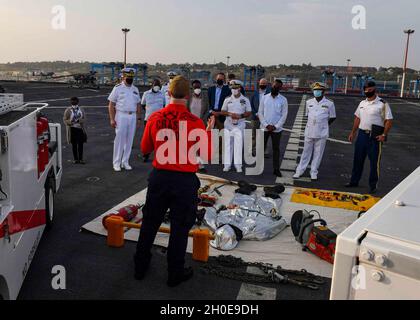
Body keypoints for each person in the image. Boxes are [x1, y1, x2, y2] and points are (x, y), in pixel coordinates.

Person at [134, 76, 215, 287]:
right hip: (184, 181)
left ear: (168, 94)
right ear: (188, 96)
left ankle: (140, 266)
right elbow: (206, 153)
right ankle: (174, 272)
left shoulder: (155, 117)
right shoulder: (195, 122)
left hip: (160, 178)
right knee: (179, 229)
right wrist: (207, 131)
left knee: (149, 224)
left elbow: (144, 149)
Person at [346, 81, 393, 194]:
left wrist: (384, 135)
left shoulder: (383, 104)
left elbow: (389, 121)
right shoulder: (362, 103)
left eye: (369, 89)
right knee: (358, 160)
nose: (367, 91)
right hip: (362, 135)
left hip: (375, 137)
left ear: (374, 89)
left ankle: (373, 186)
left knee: (374, 163)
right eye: (365, 90)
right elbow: (357, 118)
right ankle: (354, 181)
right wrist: (353, 132)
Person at [293, 82, 336, 181]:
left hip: (321, 133)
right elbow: (307, 115)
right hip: (309, 131)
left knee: (318, 154)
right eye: (315, 90)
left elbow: (333, 117)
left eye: (318, 90)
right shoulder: (309, 102)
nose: (316, 92)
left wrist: (324, 125)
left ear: (323, 91)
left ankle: (313, 172)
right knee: (305, 152)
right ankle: (299, 171)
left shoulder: (329, 103)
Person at [108, 68, 141, 172]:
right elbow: (111, 104)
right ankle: (116, 163)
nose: (130, 79)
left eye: (131, 77)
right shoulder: (117, 88)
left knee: (129, 140)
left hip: (132, 116)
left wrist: (139, 118)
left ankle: (125, 161)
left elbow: (138, 104)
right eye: (128, 77)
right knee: (119, 139)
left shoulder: (135, 89)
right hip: (121, 115)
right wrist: (112, 119)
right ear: (123, 77)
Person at [258, 79, 288, 177]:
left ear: (280, 88)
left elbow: (284, 115)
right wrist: (266, 125)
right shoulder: (264, 97)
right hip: (264, 128)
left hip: (277, 130)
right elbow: (260, 112)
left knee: (276, 150)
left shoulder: (283, 100)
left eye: (277, 87)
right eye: (274, 86)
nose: (275, 88)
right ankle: (259, 167)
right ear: (271, 86)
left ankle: (276, 169)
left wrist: (276, 126)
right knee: (261, 148)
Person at [220, 80, 252, 173]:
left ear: (239, 88)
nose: (233, 90)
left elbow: (249, 112)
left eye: (235, 88)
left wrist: (240, 116)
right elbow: (222, 111)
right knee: (228, 145)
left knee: (238, 145)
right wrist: (230, 114)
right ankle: (227, 165)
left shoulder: (245, 99)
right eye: (232, 88)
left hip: (240, 125)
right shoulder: (227, 99)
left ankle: (238, 165)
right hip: (229, 125)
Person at [140, 79, 166, 162]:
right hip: (148, 119)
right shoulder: (146, 94)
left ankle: (159, 156)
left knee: (160, 138)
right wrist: (150, 112)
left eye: (158, 86)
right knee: (148, 139)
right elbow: (143, 105)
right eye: (155, 86)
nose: (157, 87)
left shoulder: (162, 94)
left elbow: (164, 105)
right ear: (152, 85)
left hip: (159, 120)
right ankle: (145, 155)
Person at [63, 97, 87, 164]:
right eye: (72, 101)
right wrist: (70, 122)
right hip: (72, 129)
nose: (74, 102)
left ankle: (81, 159)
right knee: (74, 145)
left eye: (75, 101)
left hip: (80, 129)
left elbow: (85, 118)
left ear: (78, 102)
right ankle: (76, 159)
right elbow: (64, 119)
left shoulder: (81, 109)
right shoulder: (68, 110)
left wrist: (80, 120)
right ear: (71, 102)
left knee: (80, 145)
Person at [250, 78, 270, 155]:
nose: (263, 85)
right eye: (261, 83)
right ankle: (253, 150)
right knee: (254, 135)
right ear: (259, 84)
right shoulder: (254, 94)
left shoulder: (269, 94)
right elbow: (251, 105)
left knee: (265, 135)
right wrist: (256, 114)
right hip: (255, 118)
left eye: (264, 84)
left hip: (266, 118)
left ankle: (265, 150)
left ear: (267, 85)